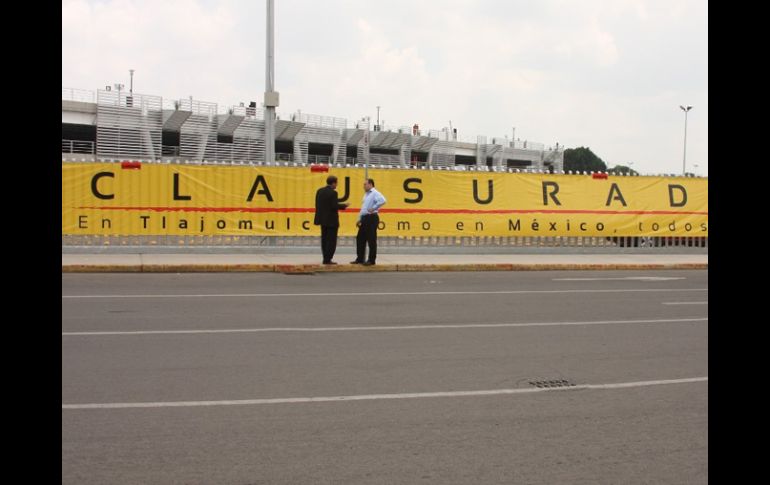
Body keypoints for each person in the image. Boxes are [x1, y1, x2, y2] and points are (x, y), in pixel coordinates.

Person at [314, 175, 349, 264]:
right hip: (331, 221)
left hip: (322, 220)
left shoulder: (320, 191)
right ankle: (328, 259)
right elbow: (334, 206)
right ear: (333, 183)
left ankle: (325, 257)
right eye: (336, 183)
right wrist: (344, 206)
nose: (336, 185)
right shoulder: (333, 193)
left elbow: (318, 204)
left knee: (324, 239)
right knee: (331, 240)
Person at [350, 178, 386, 266]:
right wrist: (360, 218)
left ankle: (371, 260)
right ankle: (360, 258)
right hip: (365, 218)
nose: (364, 186)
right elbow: (363, 208)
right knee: (360, 238)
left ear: (370, 184)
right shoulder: (366, 194)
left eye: (365, 184)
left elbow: (383, 200)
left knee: (371, 239)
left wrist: (374, 208)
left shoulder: (375, 193)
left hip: (371, 218)